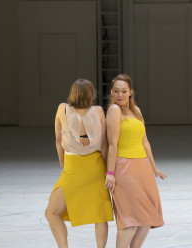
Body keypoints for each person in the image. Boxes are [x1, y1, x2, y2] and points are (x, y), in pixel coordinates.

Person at [45, 79, 114, 248]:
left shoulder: (63, 109)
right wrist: (108, 171)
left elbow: (58, 140)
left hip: (73, 166)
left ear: (73, 93)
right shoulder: (98, 111)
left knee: (52, 213)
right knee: (100, 215)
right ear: (91, 94)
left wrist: (62, 161)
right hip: (96, 166)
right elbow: (104, 144)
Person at [105, 74, 167, 248]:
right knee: (130, 220)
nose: (120, 95)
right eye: (116, 91)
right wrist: (110, 173)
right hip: (124, 167)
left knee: (146, 219)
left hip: (143, 168)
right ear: (111, 92)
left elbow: (145, 141)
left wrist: (154, 169)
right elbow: (112, 144)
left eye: (124, 91)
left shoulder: (136, 111)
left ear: (130, 92)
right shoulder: (114, 111)